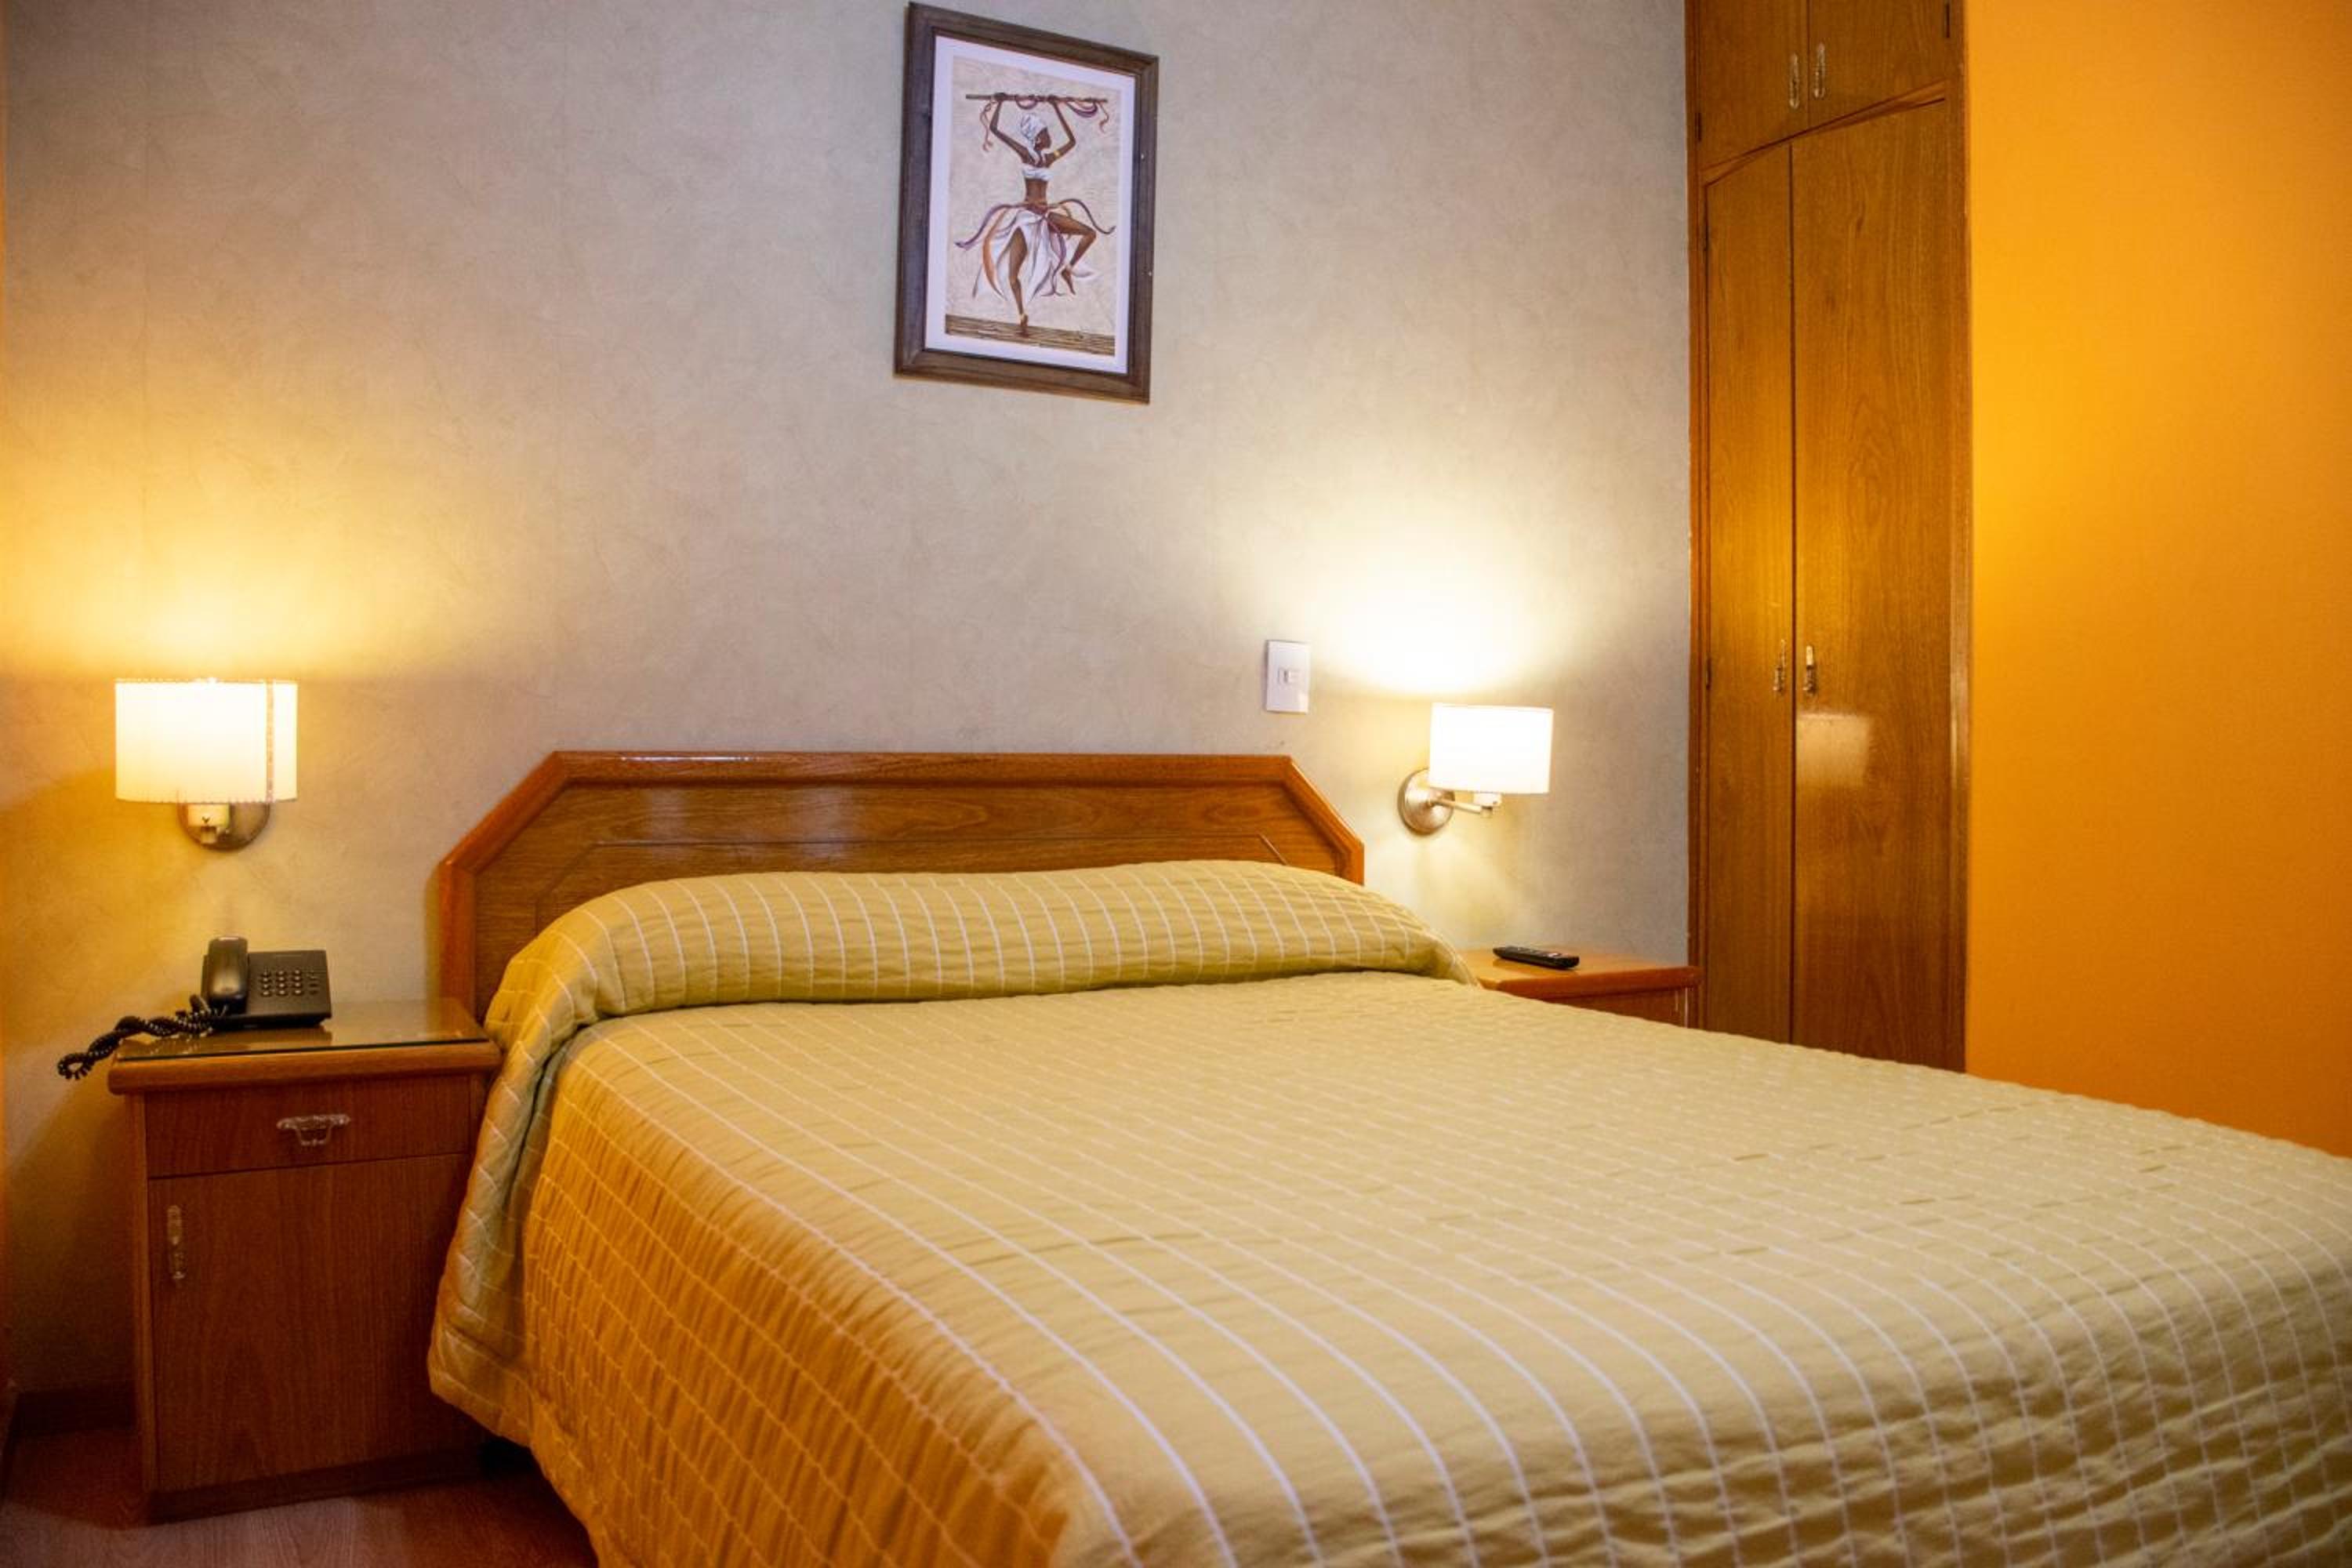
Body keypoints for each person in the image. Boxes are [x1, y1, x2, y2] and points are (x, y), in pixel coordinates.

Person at [955, 96, 1113, 336]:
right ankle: (1022, 315)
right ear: (1038, 137)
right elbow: (996, 130)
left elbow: (1072, 141)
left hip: (1045, 217)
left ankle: (1068, 268)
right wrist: (1000, 102)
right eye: (1046, 133)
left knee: (1090, 233)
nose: (1050, 137)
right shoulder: (1025, 154)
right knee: (1013, 275)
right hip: (1026, 220)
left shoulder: (1049, 158)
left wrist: (1056, 107)